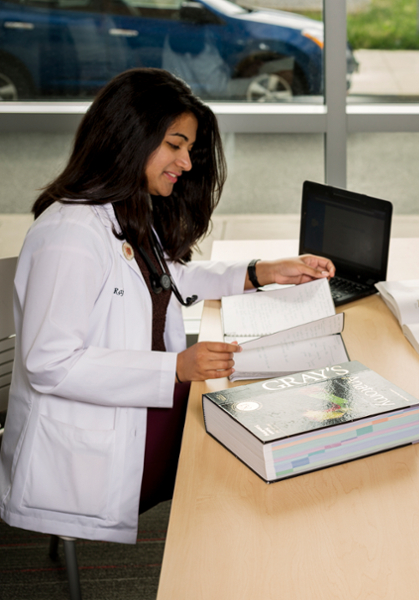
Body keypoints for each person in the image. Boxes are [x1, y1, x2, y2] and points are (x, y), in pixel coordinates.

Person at [0, 68, 335, 544]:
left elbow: (165, 278)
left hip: (148, 413)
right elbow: (49, 364)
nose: (187, 162)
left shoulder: (124, 207)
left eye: (190, 149)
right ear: (130, 137)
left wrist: (261, 271)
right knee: (254, 464)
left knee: (268, 430)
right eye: (175, 145)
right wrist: (175, 367)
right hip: (96, 450)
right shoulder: (70, 235)